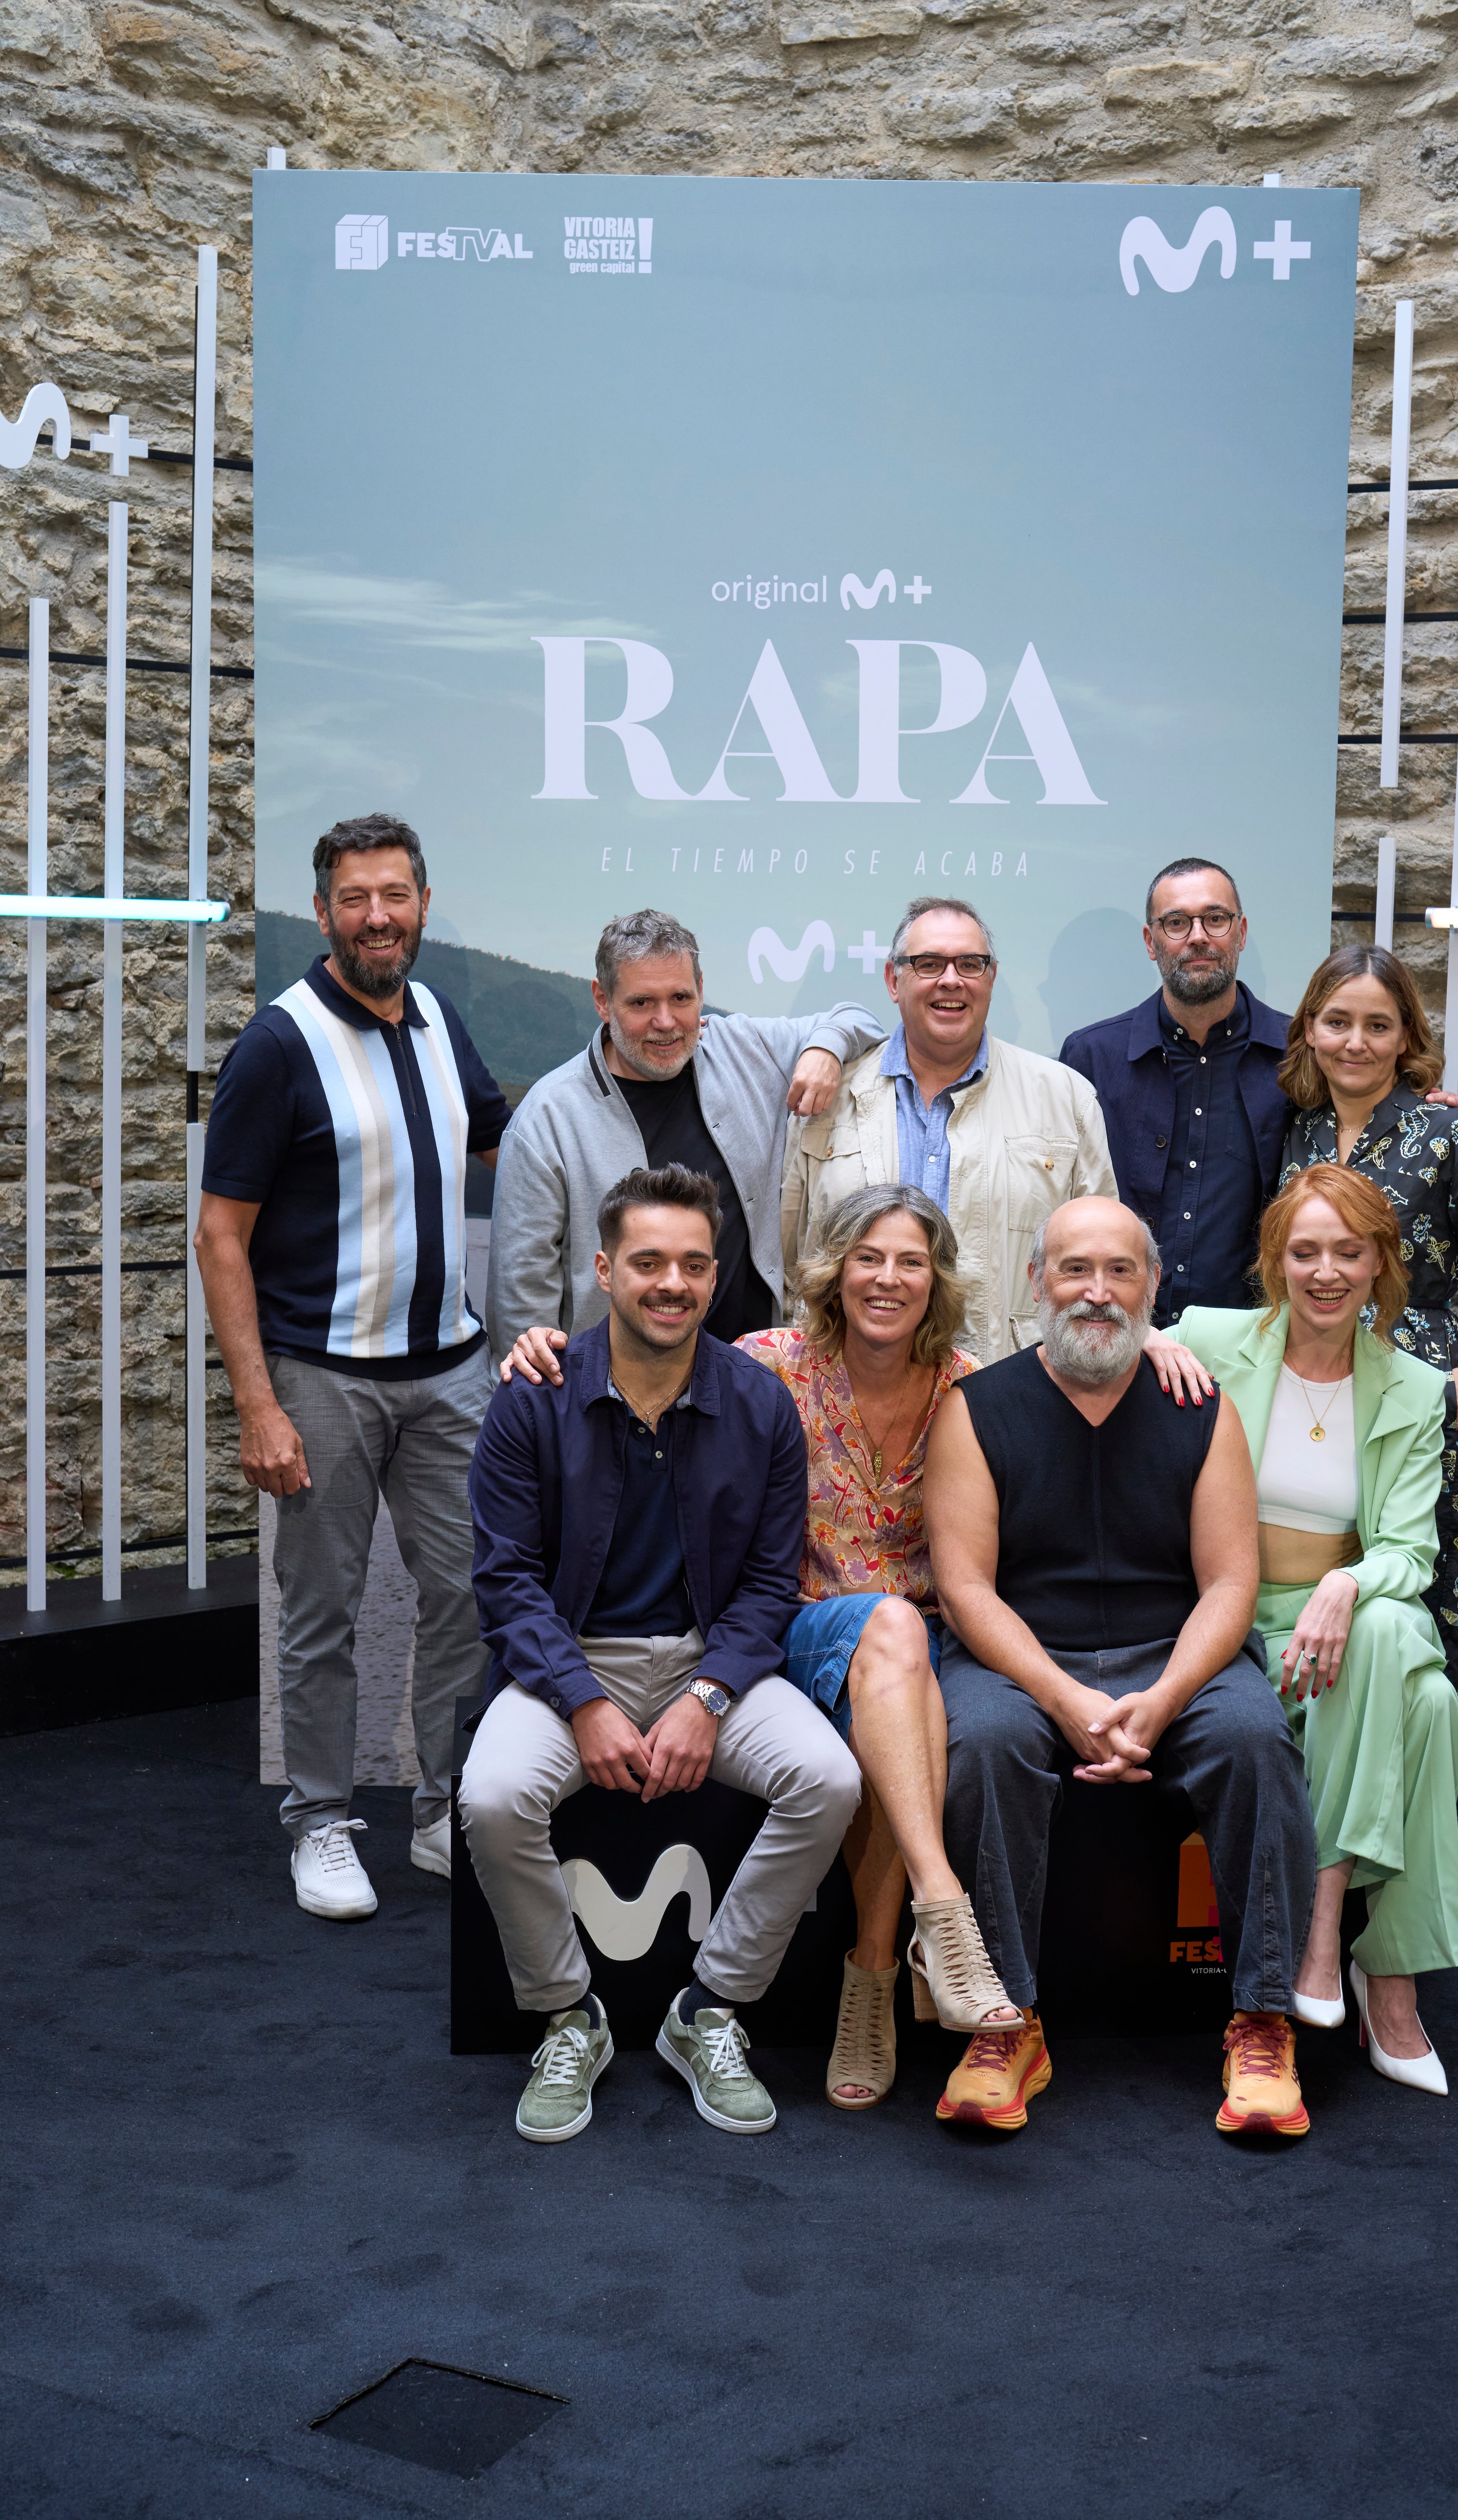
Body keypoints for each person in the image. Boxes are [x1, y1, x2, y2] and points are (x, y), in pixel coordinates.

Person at [459, 1164, 860, 2145]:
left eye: (692, 1263)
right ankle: (568, 2012)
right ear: (604, 1270)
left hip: (708, 1660)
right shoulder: (534, 1397)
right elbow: (505, 1579)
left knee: (830, 1779)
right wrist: (584, 1701)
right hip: (566, 1662)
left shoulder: (760, 1405)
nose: (671, 1282)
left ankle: (712, 2006)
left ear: (718, 1275)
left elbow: (772, 1583)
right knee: (493, 1796)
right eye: (647, 1262)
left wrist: (711, 1694)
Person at [922, 1195, 1319, 2139]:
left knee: (1254, 1736)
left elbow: (1230, 1582)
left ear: (1153, 1285)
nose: (1097, 1293)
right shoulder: (976, 1410)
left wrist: (1165, 1697)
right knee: (979, 1738)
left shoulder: (1200, 1405)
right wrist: (1063, 1697)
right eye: (1074, 1270)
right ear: (1037, 1283)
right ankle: (1005, 2019)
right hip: (1025, 1653)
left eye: (1120, 1272)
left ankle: (1263, 2019)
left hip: (1174, 1652)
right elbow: (967, 1590)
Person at [196, 813, 511, 1920]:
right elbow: (218, 1234)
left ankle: (440, 1809)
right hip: (319, 1381)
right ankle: (322, 1822)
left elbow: (497, 1140)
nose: (379, 916)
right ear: (324, 912)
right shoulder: (279, 1045)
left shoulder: (436, 1015)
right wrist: (256, 1406)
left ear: (422, 904)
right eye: (357, 898)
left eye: (398, 895)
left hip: (451, 1376)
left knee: (469, 1598)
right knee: (320, 1611)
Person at [1164, 1168, 1458, 2093]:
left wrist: (1345, 1581)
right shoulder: (1217, 1339)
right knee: (1423, 1708)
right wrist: (1146, 1340)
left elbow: (1411, 1555)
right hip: (1236, 1609)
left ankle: (1324, 1918)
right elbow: (1109, 1333)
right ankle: (1395, 1986)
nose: (1326, 1271)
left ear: (1381, 1261)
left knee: (1378, 1634)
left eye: (1348, 1251)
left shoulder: (1415, 1389)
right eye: (1305, 1251)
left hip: (1356, 1605)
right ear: (1276, 1260)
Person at [736, 1185, 1019, 2113]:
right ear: (833, 1270)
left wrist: (1168, 1343)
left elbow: (1080, 1388)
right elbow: (643, 1373)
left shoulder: (970, 1387)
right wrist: (541, 1352)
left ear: (936, 1280)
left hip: (919, 1650)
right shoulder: (768, 1366)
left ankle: (870, 1975)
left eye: (910, 1261)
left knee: (910, 1675)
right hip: (799, 1627)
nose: (888, 1278)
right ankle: (941, 1911)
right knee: (896, 1629)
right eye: (869, 1257)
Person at [1277, 945, 1458, 1730]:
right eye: (1338, 1022)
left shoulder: (1449, 1131)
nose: (1354, 1042)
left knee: (1430, 1592)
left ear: (1406, 1036)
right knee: (1327, 1581)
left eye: (1376, 1024)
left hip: (1427, 1396)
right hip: (1314, 1389)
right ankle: (1323, 1781)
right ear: (1310, 1030)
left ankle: (1423, 1792)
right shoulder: (1299, 1132)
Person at [1059, 858, 1458, 1329]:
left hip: (1257, 1350)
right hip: (1116, 1338)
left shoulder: (1301, 1055)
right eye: (1177, 922)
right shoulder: (1090, 1058)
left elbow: (1368, 1115)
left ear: (1241, 932)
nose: (1198, 936)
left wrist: (1429, 1107)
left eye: (1216, 919)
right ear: (1152, 942)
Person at [485, 907, 884, 1360]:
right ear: (602, 999)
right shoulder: (547, 1119)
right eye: (642, 1003)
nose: (666, 1022)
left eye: (681, 998)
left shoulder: (745, 1049)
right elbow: (521, 1303)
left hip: (750, 1381)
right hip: (613, 1404)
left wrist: (824, 1048)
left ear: (700, 991)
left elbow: (859, 1018)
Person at [783, 897, 1115, 1364]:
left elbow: (1105, 1264)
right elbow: (790, 1262)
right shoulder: (827, 1098)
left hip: (1008, 1389)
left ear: (992, 979)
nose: (952, 980)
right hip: (848, 1392)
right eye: (929, 964)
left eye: (970, 964)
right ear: (892, 980)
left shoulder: (1067, 1100)